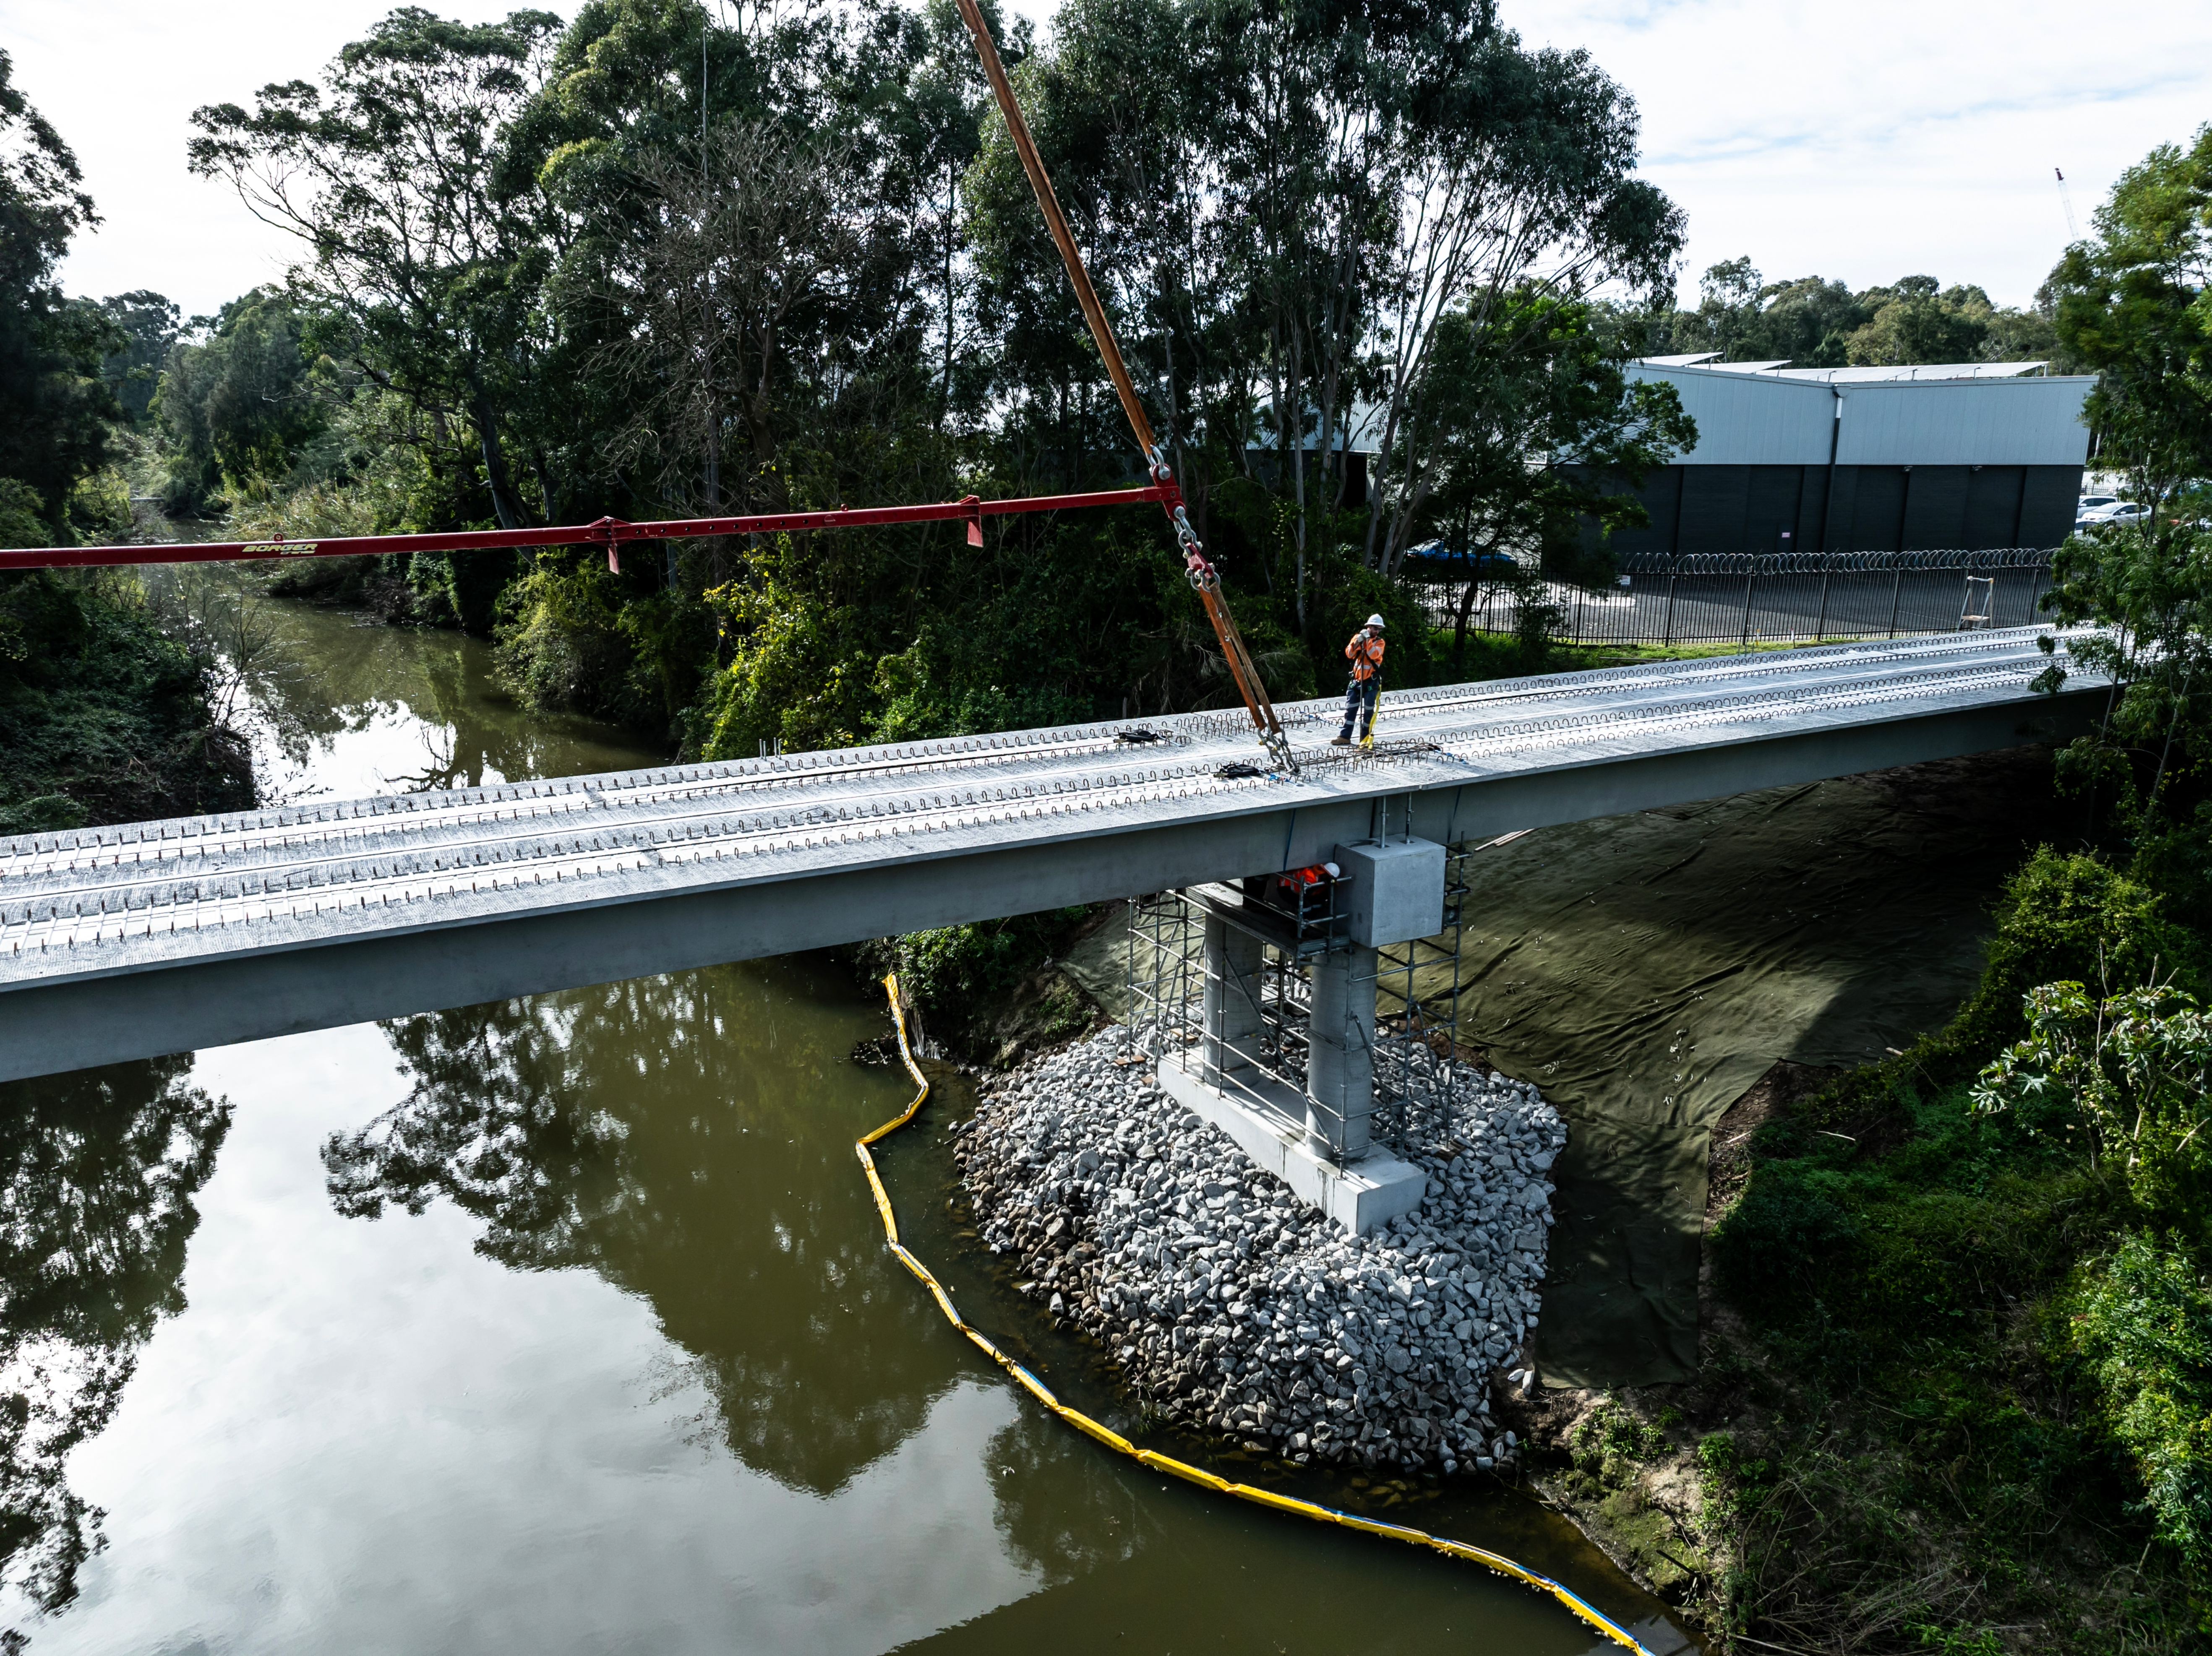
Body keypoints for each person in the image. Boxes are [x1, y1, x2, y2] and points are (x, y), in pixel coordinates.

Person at [1330, 614, 1386, 745]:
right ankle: (1345, 737)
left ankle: (1365, 739)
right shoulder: (1358, 638)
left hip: (1371, 682)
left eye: (1378, 629)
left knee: (1368, 712)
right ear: (1368, 627)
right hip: (1356, 681)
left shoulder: (1380, 643)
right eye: (1374, 628)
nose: (1376, 631)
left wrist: (1367, 641)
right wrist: (1358, 642)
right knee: (1350, 710)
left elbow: (1373, 654)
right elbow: (1349, 654)